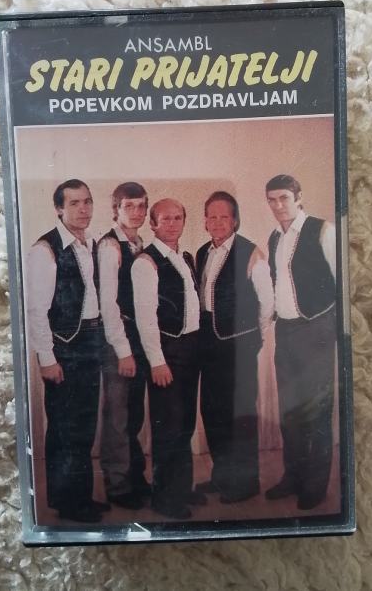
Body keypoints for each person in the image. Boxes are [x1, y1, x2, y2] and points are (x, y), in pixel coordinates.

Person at [26, 179, 108, 523]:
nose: (83, 209)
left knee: (83, 426)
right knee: (66, 428)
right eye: (74, 203)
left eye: (87, 201)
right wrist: (47, 359)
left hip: (91, 339)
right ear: (59, 209)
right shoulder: (45, 250)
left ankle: (78, 496)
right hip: (64, 347)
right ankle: (69, 503)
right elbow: (36, 311)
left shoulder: (89, 243)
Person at [196, 191, 274, 503]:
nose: (217, 223)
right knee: (213, 412)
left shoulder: (251, 253)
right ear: (205, 221)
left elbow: (267, 304)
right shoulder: (202, 252)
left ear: (235, 220)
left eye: (224, 217)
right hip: (208, 345)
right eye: (212, 217)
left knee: (240, 416)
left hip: (239, 346)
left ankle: (246, 482)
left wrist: (254, 337)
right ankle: (222, 477)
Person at [264, 174, 336, 510]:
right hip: (286, 331)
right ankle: (293, 477)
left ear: (298, 197)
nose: (278, 205)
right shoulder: (274, 237)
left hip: (316, 328)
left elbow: (341, 284)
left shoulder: (323, 230)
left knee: (317, 411)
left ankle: (315, 485)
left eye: (284, 198)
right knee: (290, 411)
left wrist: (331, 328)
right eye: (272, 199)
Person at [131, 199, 204, 520]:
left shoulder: (183, 257)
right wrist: (157, 361)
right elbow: (145, 318)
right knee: (168, 427)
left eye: (178, 218)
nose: (173, 224)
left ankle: (182, 488)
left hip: (190, 349)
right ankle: (165, 498)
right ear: (153, 224)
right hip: (167, 353)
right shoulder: (146, 262)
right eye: (166, 219)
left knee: (185, 424)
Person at [98, 182, 151, 509]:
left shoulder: (138, 244)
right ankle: (118, 486)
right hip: (118, 339)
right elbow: (108, 305)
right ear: (116, 210)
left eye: (141, 206)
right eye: (129, 206)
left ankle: (134, 476)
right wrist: (123, 351)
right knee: (117, 416)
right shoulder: (110, 246)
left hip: (138, 337)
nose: (136, 212)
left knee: (134, 414)